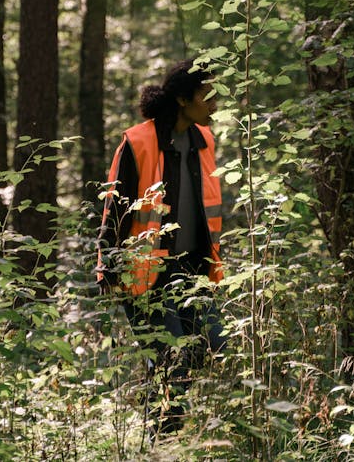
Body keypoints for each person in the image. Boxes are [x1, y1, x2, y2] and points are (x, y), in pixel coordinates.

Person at [97, 58, 226, 434]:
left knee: (214, 343)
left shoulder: (205, 140)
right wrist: (108, 266)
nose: (215, 103)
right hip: (145, 273)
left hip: (194, 270)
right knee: (172, 359)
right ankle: (163, 439)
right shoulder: (138, 140)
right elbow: (116, 208)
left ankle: (170, 427)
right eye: (208, 95)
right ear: (184, 100)